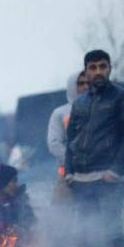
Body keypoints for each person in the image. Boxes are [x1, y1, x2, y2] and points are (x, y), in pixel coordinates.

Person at [65, 50, 124, 247]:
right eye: (93, 67)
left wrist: (115, 171)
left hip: (107, 177)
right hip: (81, 178)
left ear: (109, 69)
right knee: (86, 231)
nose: (98, 72)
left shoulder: (122, 97)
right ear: (86, 71)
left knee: (111, 229)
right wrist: (69, 172)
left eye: (102, 67)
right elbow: (71, 139)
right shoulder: (79, 103)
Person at [47, 70, 89, 203]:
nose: (85, 87)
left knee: (94, 215)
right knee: (63, 214)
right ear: (72, 86)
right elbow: (54, 143)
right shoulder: (60, 113)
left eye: (88, 83)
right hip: (68, 175)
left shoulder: (101, 110)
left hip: (96, 175)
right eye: (81, 83)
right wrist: (74, 160)